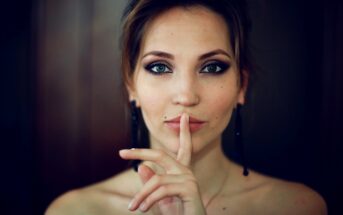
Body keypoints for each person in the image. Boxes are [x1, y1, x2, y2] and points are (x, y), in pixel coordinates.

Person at [45, 0, 327, 214]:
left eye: (212, 67)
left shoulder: (297, 207)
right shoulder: (75, 210)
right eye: (159, 67)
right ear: (132, 86)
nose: (186, 95)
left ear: (241, 86)